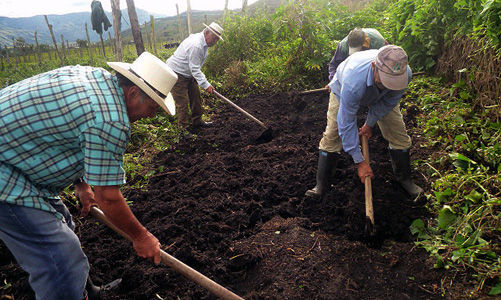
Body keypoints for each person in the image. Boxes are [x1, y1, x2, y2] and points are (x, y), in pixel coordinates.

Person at [0, 51, 178, 300]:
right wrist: (141, 236)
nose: (151, 115)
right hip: (5, 175)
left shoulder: (97, 79)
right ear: (133, 93)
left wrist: (82, 184)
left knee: (64, 222)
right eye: (152, 108)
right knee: (59, 258)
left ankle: (87, 293)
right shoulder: (110, 119)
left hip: (19, 159)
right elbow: (108, 198)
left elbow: (66, 129)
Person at [305, 45, 424, 201]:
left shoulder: (403, 75)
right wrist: (360, 162)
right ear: (374, 67)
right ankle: (321, 185)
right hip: (343, 89)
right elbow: (347, 122)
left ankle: (405, 179)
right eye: (386, 80)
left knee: (398, 133)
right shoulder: (353, 79)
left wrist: (369, 124)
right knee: (333, 133)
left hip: (381, 97)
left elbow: (387, 103)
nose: (390, 84)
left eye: (394, 81)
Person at [166, 22, 224, 131]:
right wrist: (206, 85)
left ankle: (197, 121)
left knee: (196, 97)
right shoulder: (196, 45)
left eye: (217, 40)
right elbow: (195, 69)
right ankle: (183, 129)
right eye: (214, 38)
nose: (215, 42)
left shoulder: (203, 43)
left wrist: (203, 83)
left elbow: (194, 68)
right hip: (176, 73)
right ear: (206, 33)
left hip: (188, 73)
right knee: (182, 102)